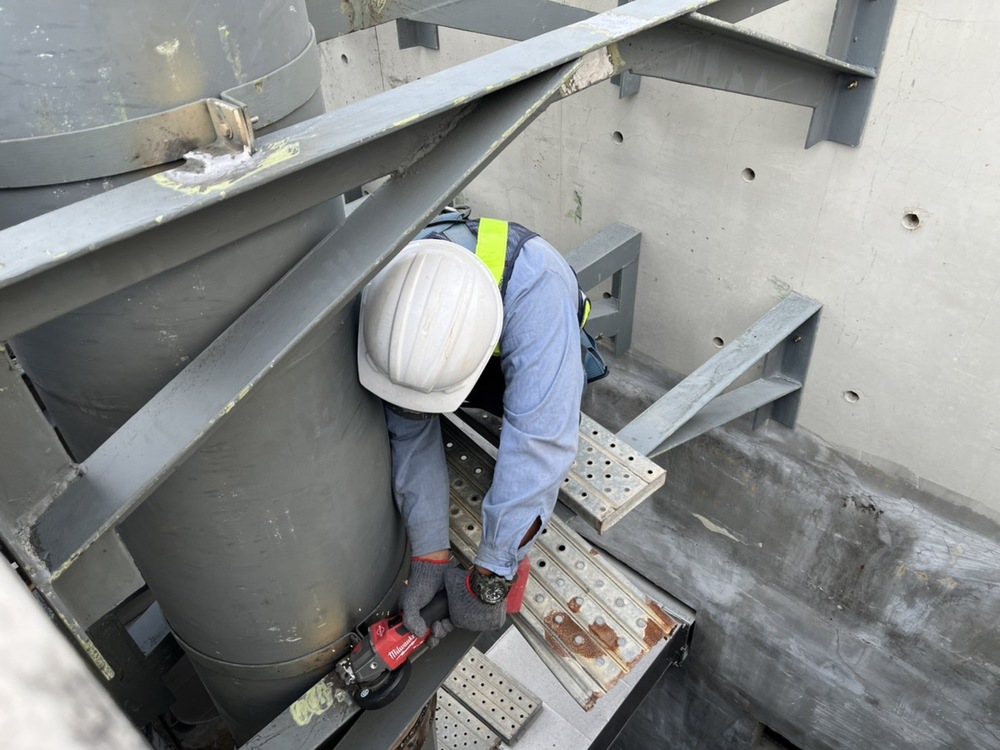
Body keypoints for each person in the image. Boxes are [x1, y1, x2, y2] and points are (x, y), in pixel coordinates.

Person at [357, 210, 596, 639]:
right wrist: (430, 554)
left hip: (528, 340)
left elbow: (541, 441)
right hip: (458, 342)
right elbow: (408, 428)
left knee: (540, 433)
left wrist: (491, 575)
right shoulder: (388, 299)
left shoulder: (538, 289)